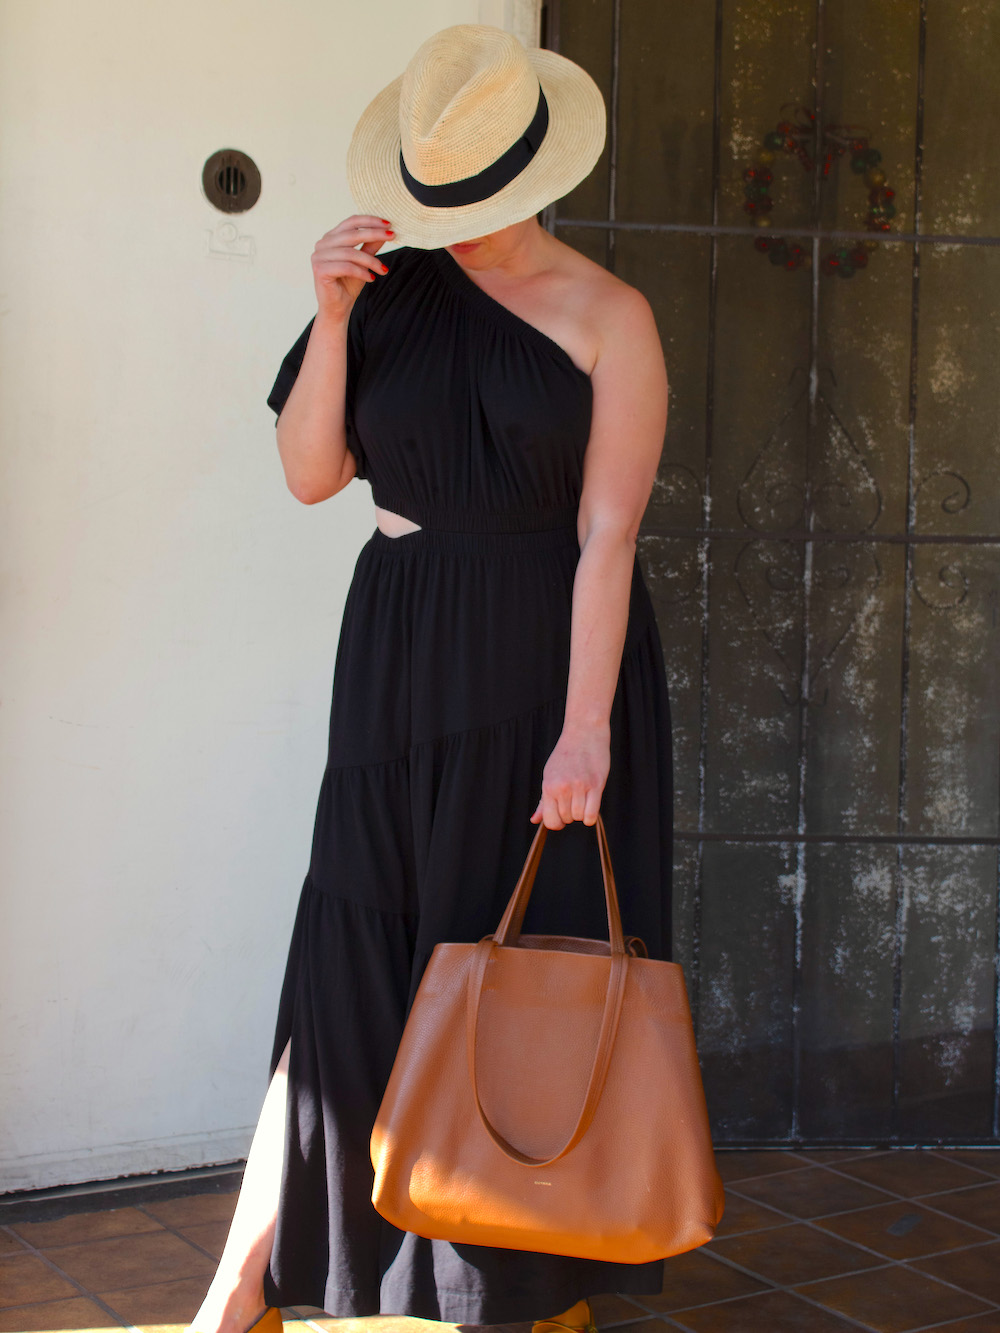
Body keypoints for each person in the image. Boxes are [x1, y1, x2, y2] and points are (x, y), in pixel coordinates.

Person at [189, 22, 672, 1333]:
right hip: (398, 655)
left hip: (544, 665)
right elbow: (307, 471)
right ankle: (246, 1282)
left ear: (529, 178)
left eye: (475, 199)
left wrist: (586, 734)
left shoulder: (608, 315)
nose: (450, 224)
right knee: (348, 951)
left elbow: (609, 535)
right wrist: (335, 312)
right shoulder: (386, 295)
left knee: (516, 974)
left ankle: (507, 1281)